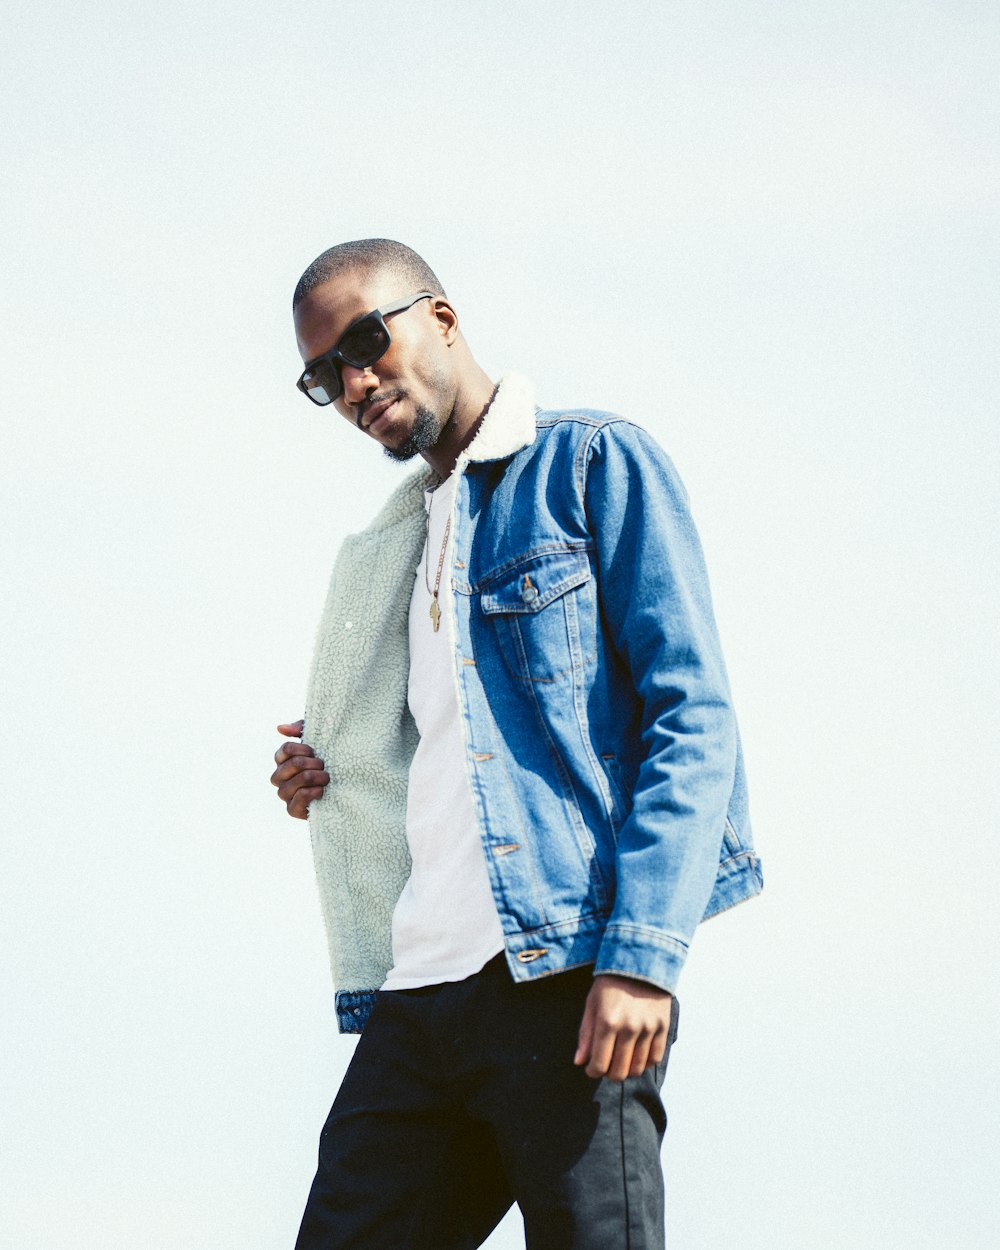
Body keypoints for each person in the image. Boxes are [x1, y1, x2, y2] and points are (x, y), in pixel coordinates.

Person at [270, 238, 763, 1250]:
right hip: (419, 993)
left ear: (441, 316)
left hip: (565, 970)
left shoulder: (590, 462)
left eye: (368, 340)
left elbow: (692, 714)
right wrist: (332, 773)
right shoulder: (393, 545)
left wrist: (642, 956)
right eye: (326, 374)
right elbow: (444, 755)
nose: (355, 381)